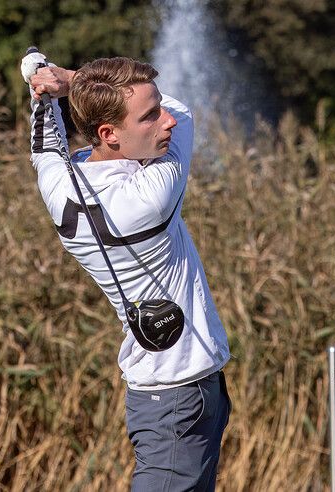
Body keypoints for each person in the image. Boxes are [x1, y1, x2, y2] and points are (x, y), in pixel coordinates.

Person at [26, 56, 231, 491]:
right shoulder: (152, 196)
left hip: (171, 394)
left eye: (159, 108)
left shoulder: (60, 188)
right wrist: (71, 80)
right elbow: (188, 112)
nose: (168, 120)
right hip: (176, 400)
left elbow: (46, 144)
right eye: (150, 116)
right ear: (109, 134)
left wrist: (44, 93)